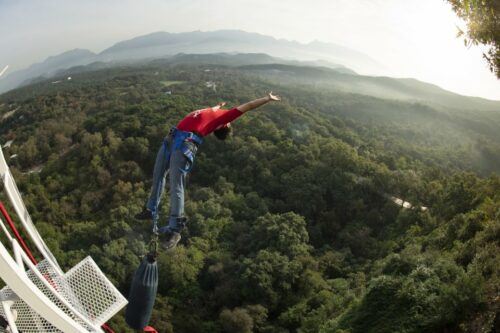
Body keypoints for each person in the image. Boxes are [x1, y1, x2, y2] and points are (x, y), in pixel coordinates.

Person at [136, 92, 281, 249]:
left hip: (185, 143)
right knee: (158, 175)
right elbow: (209, 111)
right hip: (171, 139)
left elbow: (249, 106)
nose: (230, 121)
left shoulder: (222, 119)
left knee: (176, 184)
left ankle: (175, 230)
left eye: (229, 122)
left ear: (224, 125)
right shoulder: (215, 112)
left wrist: (267, 99)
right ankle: (150, 209)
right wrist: (218, 105)